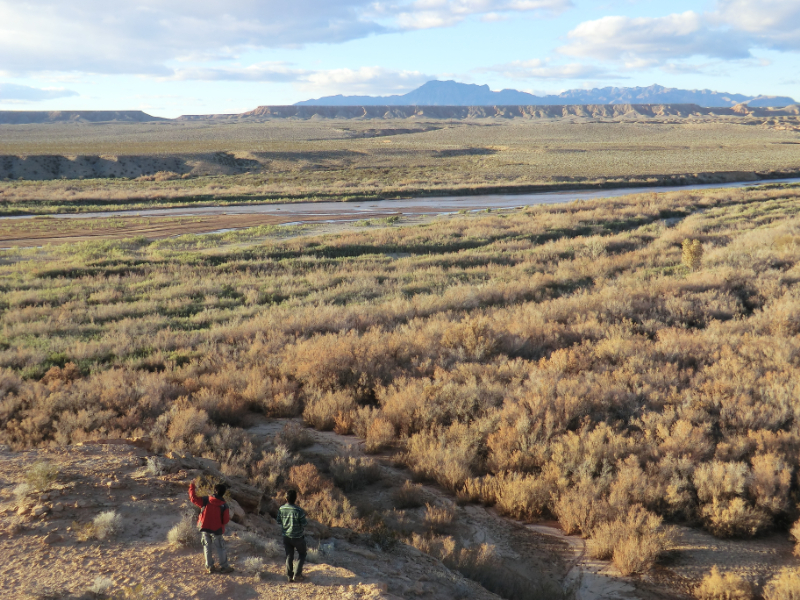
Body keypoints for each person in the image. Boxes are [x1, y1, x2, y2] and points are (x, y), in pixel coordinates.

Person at [189, 480, 233, 574]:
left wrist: (192, 486)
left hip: (204, 527)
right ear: (223, 493)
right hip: (217, 529)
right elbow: (225, 520)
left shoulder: (205, 500)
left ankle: (209, 567)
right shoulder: (224, 505)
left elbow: (193, 498)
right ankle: (224, 567)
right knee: (220, 547)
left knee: (207, 547)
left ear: (214, 491)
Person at [277, 489, 308, 582]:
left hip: (286, 536)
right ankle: (297, 574)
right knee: (302, 554)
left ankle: (289, 576)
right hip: (297, 536)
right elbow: (304, 523)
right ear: (295, 499)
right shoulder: (298, 510)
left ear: (286, 498)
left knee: (289, 555)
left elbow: (278, 521)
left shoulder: (281, 509)